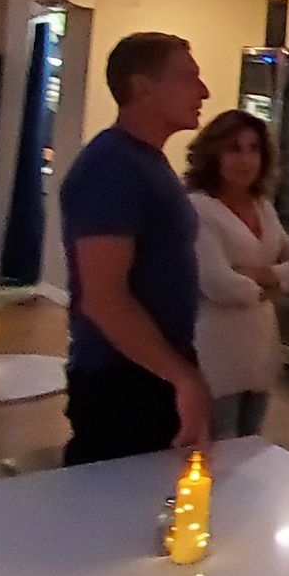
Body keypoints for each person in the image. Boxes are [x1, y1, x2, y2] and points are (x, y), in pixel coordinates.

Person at [59, 31, 211, 464]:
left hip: (150, 370)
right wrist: (183, 377)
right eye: (189, 77)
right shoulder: (111, 167)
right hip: (121, 379)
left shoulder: (147, 161)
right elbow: (103, 298)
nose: (203, 91)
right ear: (142, 87)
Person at [184, 110, 289, 440]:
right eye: (234, 148)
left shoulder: (263, 207)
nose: (245, 159)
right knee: (220, 445)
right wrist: (270, 286)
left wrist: (261, 275)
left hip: (259, 350)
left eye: (254, 149)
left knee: (251, 442)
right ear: (214, 154)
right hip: (216, 351)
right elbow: (218, 284)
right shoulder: (198, 207)